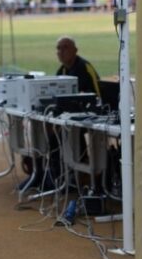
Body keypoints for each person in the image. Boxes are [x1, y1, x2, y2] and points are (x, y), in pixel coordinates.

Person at [20, 36, 101, 192]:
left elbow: (99, 95)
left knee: (59, 131)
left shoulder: (85, 68)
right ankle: (51, 172)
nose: (61, 52)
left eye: (65, 48)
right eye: (58, 48)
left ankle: (69, 173)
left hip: (89, 117)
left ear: (75, 50)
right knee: (47, 127)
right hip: (68, 118)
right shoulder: (62, 71)